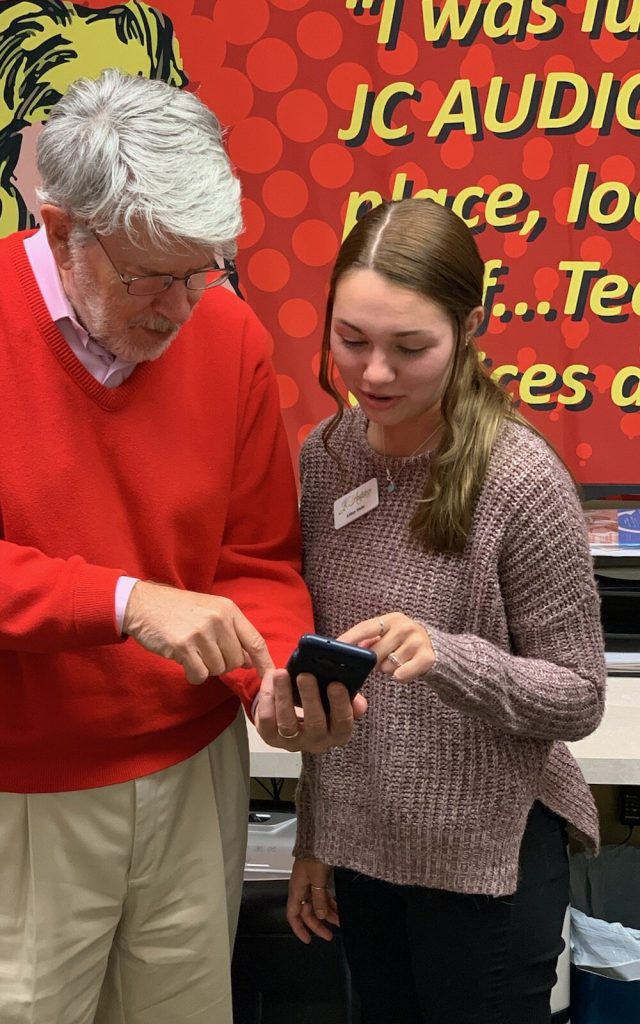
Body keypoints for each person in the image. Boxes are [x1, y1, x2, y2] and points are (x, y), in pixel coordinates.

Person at [0, 69, 362, 1024]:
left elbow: (255, 558)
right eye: (152, 276)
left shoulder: (227, 336)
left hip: (192, 781)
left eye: (204, 268)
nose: (182, 309)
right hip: (9, 793)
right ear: (61, 230)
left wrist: (267, 678)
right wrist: (125, 601)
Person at [285, 198, 606, 1023]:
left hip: (485, 869)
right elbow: (328, 682)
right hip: (362, 855)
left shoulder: (519, 479)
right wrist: (315, 841)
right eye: (351, 340)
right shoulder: (323, 463)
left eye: (410, 347)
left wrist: (449, 654)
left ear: (469, 328)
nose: (375, 375)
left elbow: (578, 693)